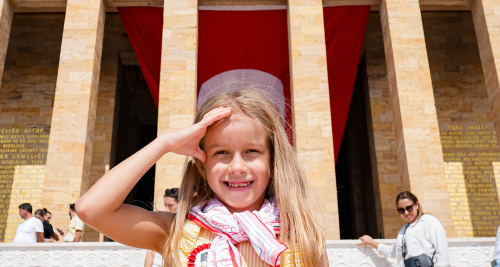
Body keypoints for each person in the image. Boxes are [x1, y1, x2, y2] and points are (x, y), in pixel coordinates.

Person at [77, 89, 328, 267]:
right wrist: (165, 143)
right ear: (201, 167)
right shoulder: (175, 233)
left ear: (273, 163)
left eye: (251, 151)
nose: (237, 167)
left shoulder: (302, 236)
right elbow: (91, 209)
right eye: (222, 153)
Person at [358, 191, 449, 267]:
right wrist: (371, 242)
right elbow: (392, 251)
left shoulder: (428, 221)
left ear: (416, 205)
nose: (406, 213)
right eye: (401, 210)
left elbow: (442, 253)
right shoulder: (403, 232)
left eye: (409, 208)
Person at [144, 188, 180, 267]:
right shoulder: (160, 223)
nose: (166, 210)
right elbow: (150, 252)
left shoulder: (188, 226)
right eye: (165, 205)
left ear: (181, 204)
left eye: (170, 206)